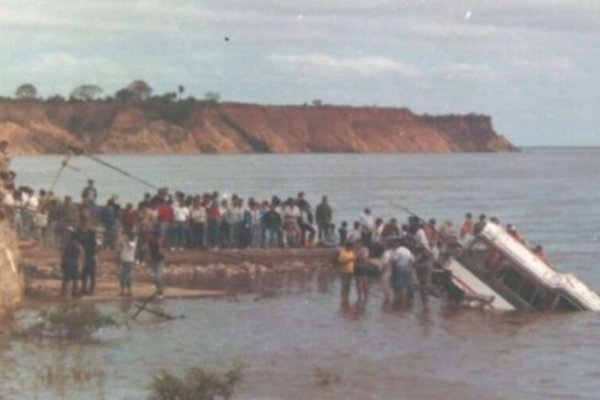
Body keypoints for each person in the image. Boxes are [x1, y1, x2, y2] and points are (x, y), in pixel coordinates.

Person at [391, 239, 415, 307]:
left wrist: (393, 269)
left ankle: (397, 300)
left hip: (399, 268)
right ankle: (403, 300)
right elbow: (412, 260)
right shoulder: (408, 251)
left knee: (398, 285)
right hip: (407, 268)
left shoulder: (398, 250)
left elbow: (394, 260)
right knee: (405, 285)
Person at [61, 227, 83, 298]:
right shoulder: (78, 246)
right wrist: (80, 265)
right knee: (75, 279)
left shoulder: (67, 245)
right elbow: (81, 256)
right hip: (75, 262)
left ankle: (65, 292)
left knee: (67, 278)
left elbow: (64, 254)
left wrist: (62, 262)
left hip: (68, 262)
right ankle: (75, 292)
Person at [78, 225, 99, 295]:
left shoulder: (86, 239)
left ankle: (84, 288)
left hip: (86, 258)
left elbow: (80, 242)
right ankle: (91, 290)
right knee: (92, 275)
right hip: (91, 258)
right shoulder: (94, 240)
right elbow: (97, 248)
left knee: (84, 274)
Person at [338, 241, 356, 308]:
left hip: (351, 271)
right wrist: (350, 260)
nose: (351, 248)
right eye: (351, 246)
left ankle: (347, 298)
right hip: (344, 271)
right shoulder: (343, 253)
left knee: (348, 285)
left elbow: (354, 260)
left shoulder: (352, 252)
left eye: (352, 247)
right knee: (344, 285)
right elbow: (341, 262)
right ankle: (343, 298)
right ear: (347, 246)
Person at [353, 240, 371, 307]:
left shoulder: (365, 249)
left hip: (363, 267)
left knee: (364, 283)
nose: (356, 245)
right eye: (355, 244)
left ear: (361, 244)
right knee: (357, 283)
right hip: (356, 267)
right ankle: (359, 297)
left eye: (357, 244)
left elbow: (364, 259)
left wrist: (357, 256)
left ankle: (366, 297)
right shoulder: (355, 249)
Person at [148, 231, 165, 298]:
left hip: (160, 260)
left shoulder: (158, 242)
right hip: (154, 259)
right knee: (156, 276)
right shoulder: (150, 242)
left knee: (158, 276)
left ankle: (161, 290)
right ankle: (158, 289)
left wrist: (160, 248)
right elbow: (149, 250)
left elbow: (162, 252)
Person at [119, 232, 137, 296]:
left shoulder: (133, 241)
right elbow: (121, 249)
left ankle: (126, 290)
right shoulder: (126, 241)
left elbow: (130, 247)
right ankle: (125, 290)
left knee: (126, 276)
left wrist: (126, 240)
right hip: (124, 259)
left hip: (129, 260)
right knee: (123, 275)